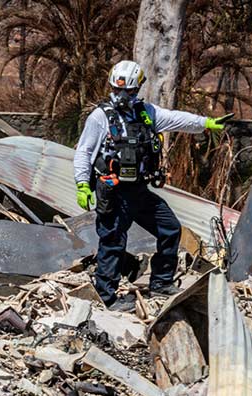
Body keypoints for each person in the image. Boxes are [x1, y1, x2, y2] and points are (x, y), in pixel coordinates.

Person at [74, 60, 231, 309]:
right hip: (114, 193)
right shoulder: (100, 117)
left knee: (169, 228)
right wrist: (82, 184)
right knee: (113, 242)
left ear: (136, 90)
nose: (121, 95)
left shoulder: (146, 113)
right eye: (117, 90)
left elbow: (178, 120)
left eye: (127, 91)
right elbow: (84, 152)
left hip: (139, 190)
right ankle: (106, 296)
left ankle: (161, 282)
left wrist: (207, 123)